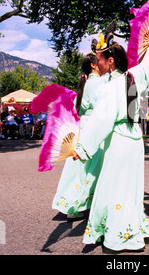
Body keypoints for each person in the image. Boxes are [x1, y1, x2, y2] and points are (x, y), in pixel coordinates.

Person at [71, 31, 149, 252]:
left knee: (115, 186)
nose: (96, 63)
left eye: (98, 59)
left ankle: (121, 235)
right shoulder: (134, 75)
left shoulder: (111, 87)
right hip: (134, 137)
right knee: (131, 186)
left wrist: (82, 149)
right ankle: (127, 227)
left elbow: (102, 120)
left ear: (110, 61)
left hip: (119, 139)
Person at [52, 52, 108, 219]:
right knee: (94, 164)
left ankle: (73, 204)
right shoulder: (97, 82)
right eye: (99, 60)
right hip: (93, 123)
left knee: (80, 165)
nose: (102, 62)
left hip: (83, 123)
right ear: (93, 65)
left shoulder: (86, 83)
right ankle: (86, 202)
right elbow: (102, 105)